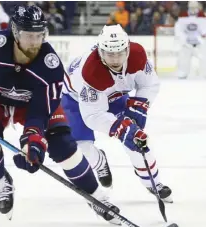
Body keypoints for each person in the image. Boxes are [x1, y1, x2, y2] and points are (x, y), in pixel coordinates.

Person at [0, 5, 120, 224]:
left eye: (39, 35)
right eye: (29, 35)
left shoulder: (51, 66)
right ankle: (1, 183)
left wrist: (33, 140)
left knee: (62, 145)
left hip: (31, 105)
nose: (35, 42)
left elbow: (41, 111)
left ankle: (97, 197)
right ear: (15, 32)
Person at [62, 24, 173, 203]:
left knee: (136, 139)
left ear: (127, 49)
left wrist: (140, 105)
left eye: (120, 53)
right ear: (100, 51)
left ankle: (155, 184)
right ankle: (99, 161)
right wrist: (119, 128)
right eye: (110, 54)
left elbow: (149, 84)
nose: (115, 59)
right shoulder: (91, 72)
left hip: (115, 96)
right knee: (80, 146)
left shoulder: (137, 56)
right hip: (75, 98)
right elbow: (93, 116)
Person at [175, 1, 206, 79]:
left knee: (204, 57)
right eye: (191, 7)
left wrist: (200, 37)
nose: (193, 9)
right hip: (187, 43)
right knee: (183, 58)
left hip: (199, 43)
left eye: (195, 7)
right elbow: (178, 29)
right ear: (188, 7)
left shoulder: (202, 16)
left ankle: (205, 73)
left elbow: (204, 30)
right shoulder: (183, 15)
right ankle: (182, 73)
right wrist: (184, 39)